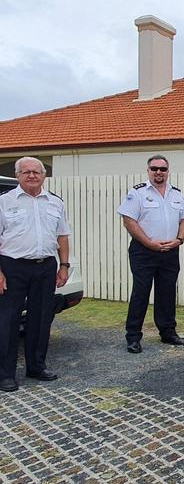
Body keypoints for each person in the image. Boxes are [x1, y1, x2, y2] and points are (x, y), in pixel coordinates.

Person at [0, 157, 71, 392]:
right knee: (8, 321)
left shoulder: (55, 203)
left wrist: (64, 265)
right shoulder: (4, 202)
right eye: (26, 172)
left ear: (43, 176)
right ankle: (6, 374)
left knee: (41, 319)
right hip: (13, 267)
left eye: (36, 172)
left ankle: (37, 366)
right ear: (18, 175)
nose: (32, 176)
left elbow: (62, 236)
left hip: (45, 266)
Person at [117, 155, 184, 354]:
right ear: (148, 170)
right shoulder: (138, 193)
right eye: (154, 168)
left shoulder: (177, 194)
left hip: (170, 251)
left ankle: (168, 332)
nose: (159, 172)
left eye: (163, 169)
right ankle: (133, 337)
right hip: (144, 252)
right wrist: (149, 243)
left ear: (168, 171)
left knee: (167, 292)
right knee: (140, 293)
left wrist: (179, 240)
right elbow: (129, 221)